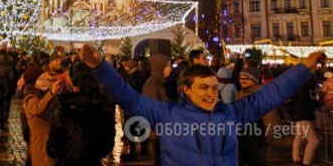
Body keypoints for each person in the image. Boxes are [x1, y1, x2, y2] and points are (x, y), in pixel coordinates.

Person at [79, 43, 325, 166]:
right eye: (203, 88)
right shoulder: (168, 114)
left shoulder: (230, 114)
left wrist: (304, 68)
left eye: (213, 87)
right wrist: (100, 67)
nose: (211, 94)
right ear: (186, 89)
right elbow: (127, 97)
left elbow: (268, 96)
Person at [46, 71, 115, 166]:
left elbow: (53, 149)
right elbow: (107, 146)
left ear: (76, 88)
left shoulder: (65, 109)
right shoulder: (104, 109)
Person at [236, 65, 279, 165]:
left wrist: (266, 140)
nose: (243, 80)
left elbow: (270, 119)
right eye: (241, 78)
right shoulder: (239, 95)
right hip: (242, 141)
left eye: (247, 78)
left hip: (258, 141)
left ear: (254, 79)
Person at [289, 76, 320, 166]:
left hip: (298, 114)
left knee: (298, 137)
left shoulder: (295, 85)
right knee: (313, 141)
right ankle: (306, 161)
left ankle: (296, 157)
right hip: (303, 114)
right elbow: (305, 101)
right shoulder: (301, 87)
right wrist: (317, 104)